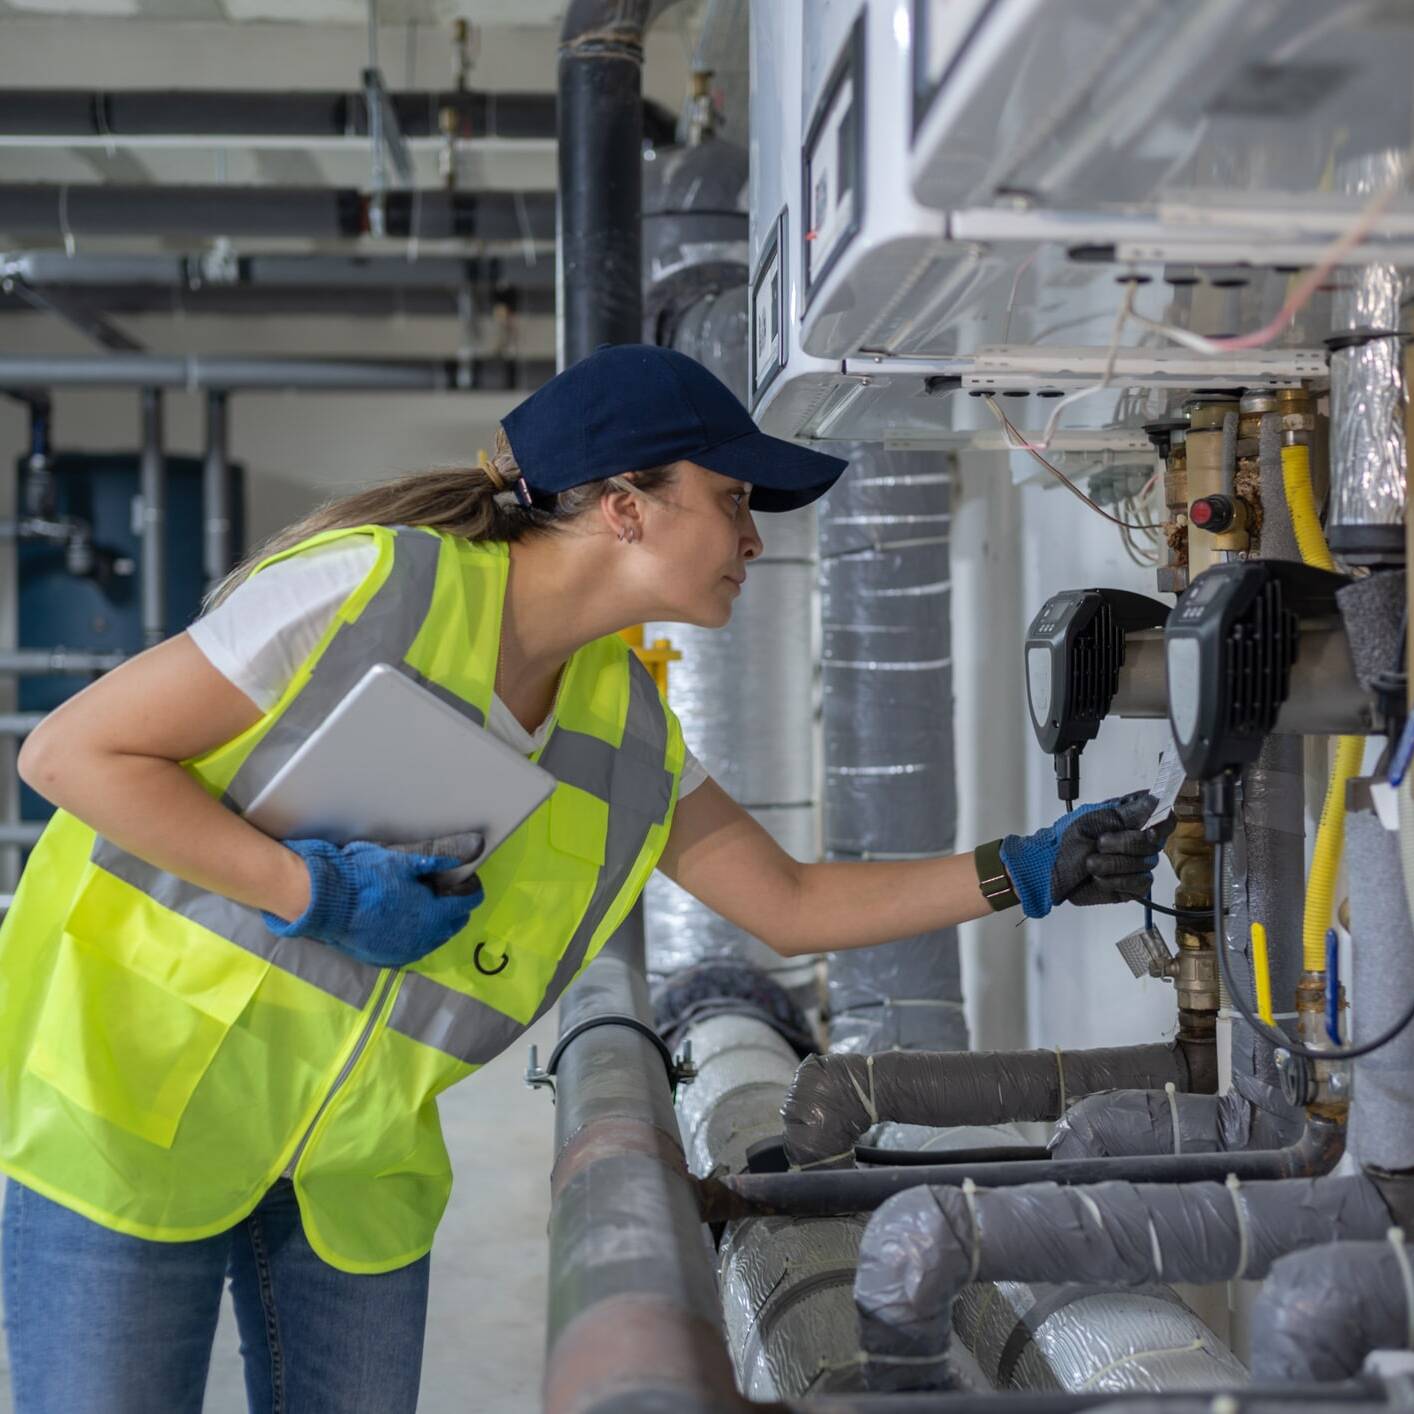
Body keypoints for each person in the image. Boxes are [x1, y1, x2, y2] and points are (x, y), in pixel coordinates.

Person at [0, 345, 1170, 1413]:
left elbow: (788, 901)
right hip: (131, 1104)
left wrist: (1025, 869)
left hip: (350, 1165)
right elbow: (68, 753)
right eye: (732, 500)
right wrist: (313, 892)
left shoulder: (625, 727)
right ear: (623, 504)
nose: (754, 539)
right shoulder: (375, 586)